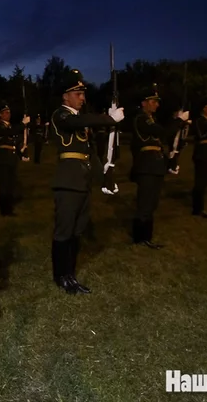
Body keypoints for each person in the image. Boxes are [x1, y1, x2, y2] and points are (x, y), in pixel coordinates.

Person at [49, 69, 124, 294]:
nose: (82, 98)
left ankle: (70, 273)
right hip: (67, 182)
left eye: (83, 94)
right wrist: (108, 119)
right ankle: (61, 276)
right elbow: (75, 122)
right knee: (64, 232)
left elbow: (89, 153)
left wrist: (104, 180)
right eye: (77, 94)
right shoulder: (60, 115)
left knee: (77, 231)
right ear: (65, 96)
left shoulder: (81, 121)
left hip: (82, 182)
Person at [130, 86, 188, 249]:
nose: (157, 104)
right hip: (146, 166)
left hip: (155, 165)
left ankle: (146, 237)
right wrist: (179, 121)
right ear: (144, 103)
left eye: (157, 102)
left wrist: (169, 162)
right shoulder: (141, 118)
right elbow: (162, 132)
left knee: (152, 202)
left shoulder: (151, 119)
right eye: (153, 101)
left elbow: (160, 142)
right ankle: (139, 238)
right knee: (145, 203)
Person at [0, 103, 30, 216]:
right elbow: (9, 133)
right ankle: (4, 210)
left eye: (9, 112)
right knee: (4, 185)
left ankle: (9, 209)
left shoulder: (10, 126)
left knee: (11, 185)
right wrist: (22, 124)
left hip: (11, 158)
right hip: (3, 159)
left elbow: (15, 141)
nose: (8, 114)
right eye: (5, 113)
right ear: (0, 115)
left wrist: (21, 153)